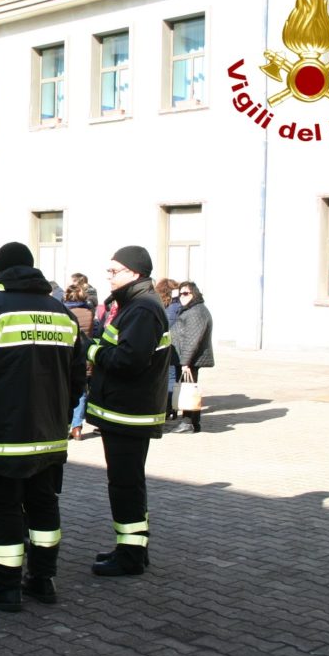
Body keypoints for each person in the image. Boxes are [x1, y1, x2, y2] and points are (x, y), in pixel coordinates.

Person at [0, 242, 86, 611]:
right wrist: (60, 416)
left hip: (2, 439)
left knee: (3, 510)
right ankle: (42, 578)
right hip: (50, 437)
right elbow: (76, 381)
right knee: (43, 506)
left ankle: (3, 585)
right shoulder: (62, 313)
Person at [85, 245, 171, 577]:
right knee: (126, 484)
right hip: (125, 411)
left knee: (126, 485)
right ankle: (131, 547)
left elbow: (129, 360)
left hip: (128, 413)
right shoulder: (137, 305)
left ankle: (131, 555)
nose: (108, 276)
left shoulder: (142, 310)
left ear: (134, 274)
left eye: (114, 271)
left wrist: (92, 352)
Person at [170, 281, 214, 434]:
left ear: (194, 294)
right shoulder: (192, 309)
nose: (182, 297)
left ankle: (188, 422)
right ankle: (193, 423)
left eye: (186, 293)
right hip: (186, 358)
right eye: (180, 294)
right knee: (189, 390)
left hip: (188, 360)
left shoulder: (196, 312)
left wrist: (185, 362)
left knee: (187, 390)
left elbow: (192, 339)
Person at [63, 283, 95, 441]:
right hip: (84, 354)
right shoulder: (89, 311)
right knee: (82, 391)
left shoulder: (64, 312)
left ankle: (66, 425)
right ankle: (77, 428)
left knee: (65, 389)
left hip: (68, 354)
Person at [155, 279, 182, 419]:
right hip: (177, 347)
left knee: (167, 378)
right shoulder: (177, 306)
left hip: (163, 346)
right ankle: (172, 408)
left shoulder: (160, 306)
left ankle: (167, 408)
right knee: (174, 378)